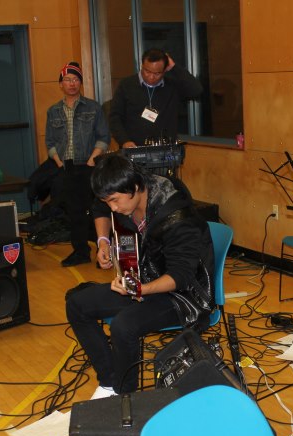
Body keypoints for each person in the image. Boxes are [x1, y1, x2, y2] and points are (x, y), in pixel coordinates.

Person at [65, 153, 214, 397]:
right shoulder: (128, 193)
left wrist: (141, 289)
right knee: (77, 305)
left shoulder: (177, 216)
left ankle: (126, 396)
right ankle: (110, 382)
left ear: (134, 187)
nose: (113, 208)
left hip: (183, 296)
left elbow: (182, 276)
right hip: (145, 278)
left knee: (124, 326)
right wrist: (103, 242)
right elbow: (100, 206)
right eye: (108, 201)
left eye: (115, 201)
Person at [44, 62, 109, 267]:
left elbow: (104, 137)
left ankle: (103, 252)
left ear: (80, 83)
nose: (72, 83)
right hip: (67, 167)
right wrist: (58, 161)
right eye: (67, 80)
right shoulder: (53, 111)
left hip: (90, 165)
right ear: (61, 84)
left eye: (76, 79)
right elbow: (50, 142)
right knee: (74, 212)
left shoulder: (93, 107)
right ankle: (81, 252)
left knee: (97, 209)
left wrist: (92, 159)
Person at [108, 48, 202, 149]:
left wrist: (174, 67)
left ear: (165, 70)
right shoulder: (126, 85)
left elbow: (197, 90)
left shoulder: (172, 86)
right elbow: (115, 117)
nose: (151, 77)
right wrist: (124, 141)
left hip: (166, 149)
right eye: (147, 71)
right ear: (142, 66)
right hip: (134, 148)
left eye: (157, 73)